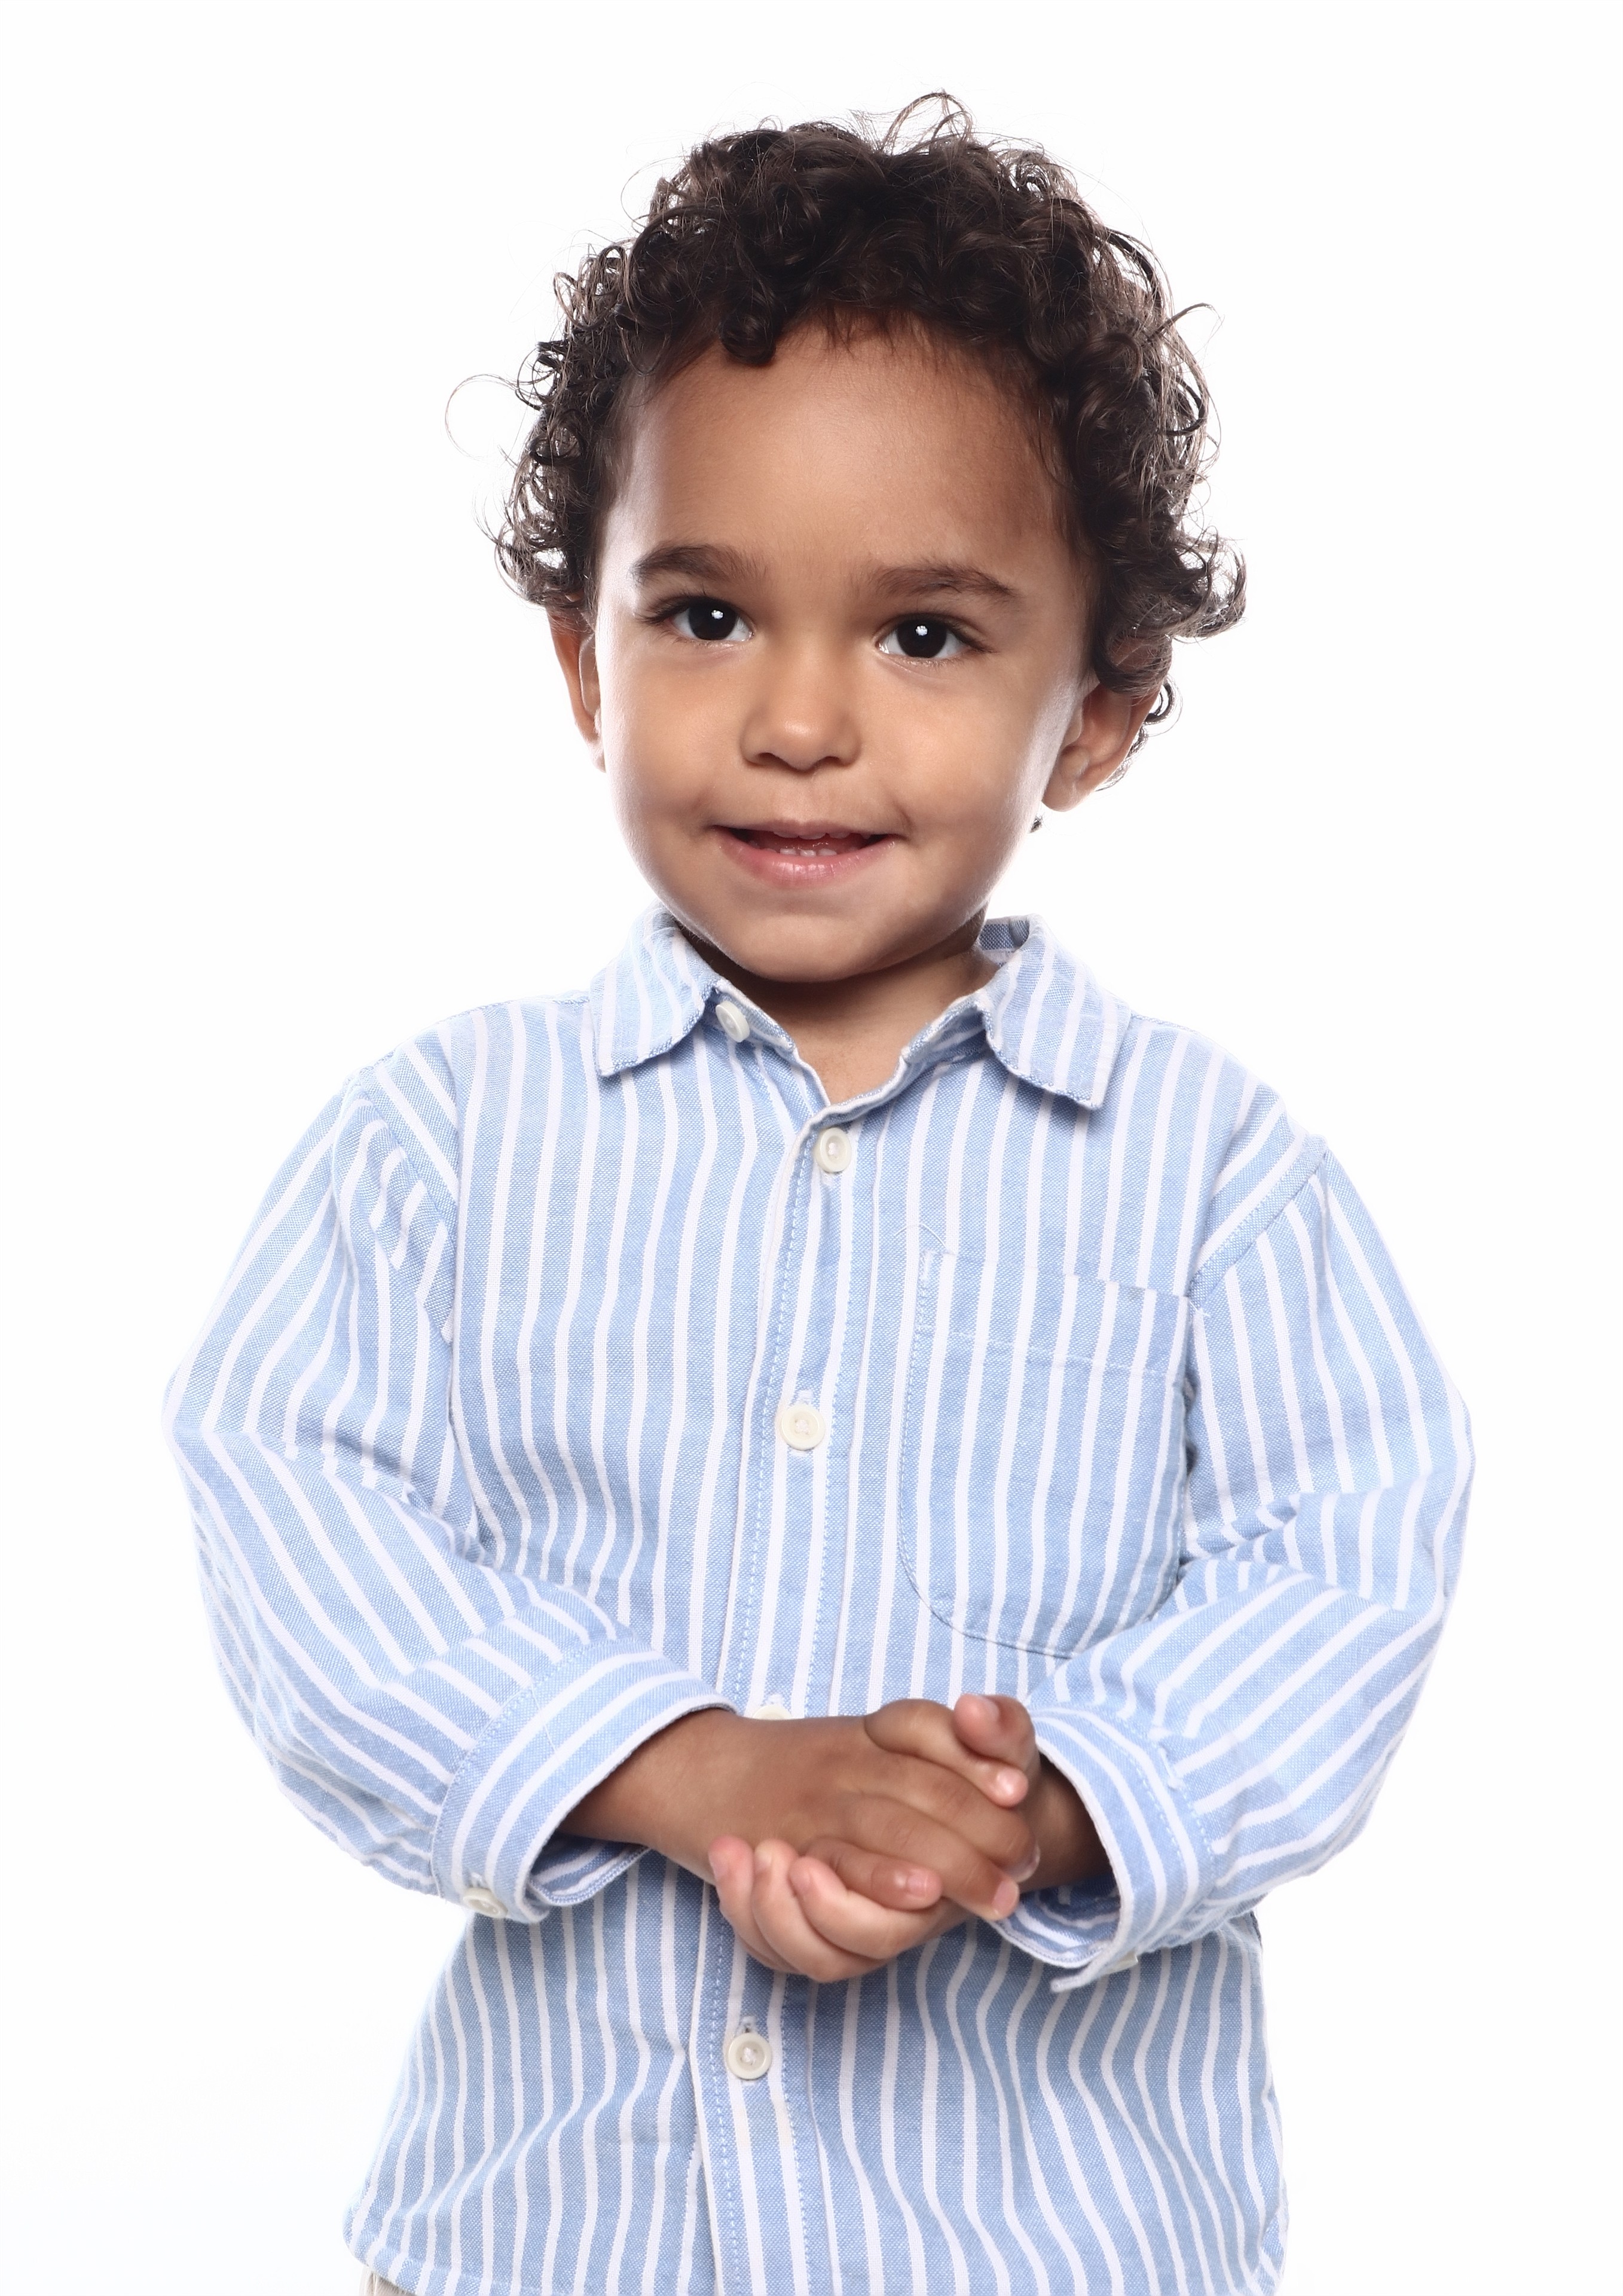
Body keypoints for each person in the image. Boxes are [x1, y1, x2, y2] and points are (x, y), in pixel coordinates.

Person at [166, 96, 1471, 2296]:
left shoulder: (1215, 1175)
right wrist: (683, 1769)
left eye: (924, 637)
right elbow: (300, 1513)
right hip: (553, 2235)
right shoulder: (443, 1143)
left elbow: (1343, 1562)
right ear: (582, 662)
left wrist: (1039, 1803)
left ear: (1097, 716)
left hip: (1052, 2243)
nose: (795, 719)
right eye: (703, 613)